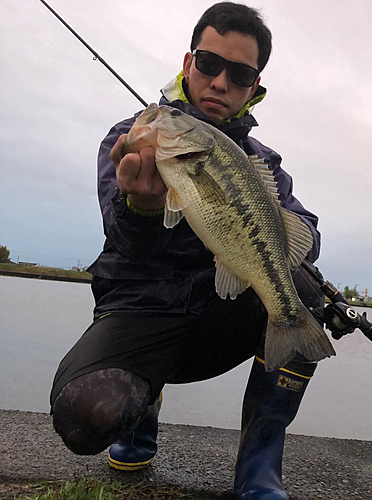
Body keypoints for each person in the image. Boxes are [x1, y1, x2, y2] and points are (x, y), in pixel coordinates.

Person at [50, 3, 340, 499]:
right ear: (187, 64)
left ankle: (259, 465)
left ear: (255, 87)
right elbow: (124, 244)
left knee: (307, 290)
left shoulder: (264, 166)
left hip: (216, 320)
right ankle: (141, 412)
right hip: (140, 313)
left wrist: (281, 235)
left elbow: (304, 231)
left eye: (240, 73)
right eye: (209, 64)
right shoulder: (133, 140)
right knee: (86, 416)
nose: (220, 82)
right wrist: (141, 206)